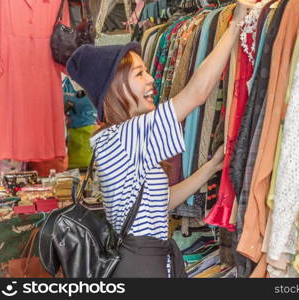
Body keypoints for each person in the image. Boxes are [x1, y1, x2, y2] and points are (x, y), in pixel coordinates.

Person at [66, 0, 255, 278]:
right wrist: (236, 23)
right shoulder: (127, 135)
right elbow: (197, 93)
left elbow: (161, 203)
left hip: (143, 260)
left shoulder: (116, 139)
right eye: (140, 74)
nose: (152, 79)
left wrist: (211, 168)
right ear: (115, 87)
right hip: (142, 267)